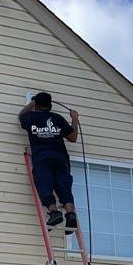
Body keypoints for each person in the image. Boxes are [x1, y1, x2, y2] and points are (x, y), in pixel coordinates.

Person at [19, 92, 79, 232]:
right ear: (50, 106)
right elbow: (73, 137)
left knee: (44, 184)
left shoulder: (30, 118)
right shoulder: (57, 118)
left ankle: (54, 212)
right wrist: (74, 119)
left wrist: (32, 102)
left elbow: (20, 115)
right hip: (61, 158)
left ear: (37, 105)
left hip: (42, 158)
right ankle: (70, 215)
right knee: (64, 186)